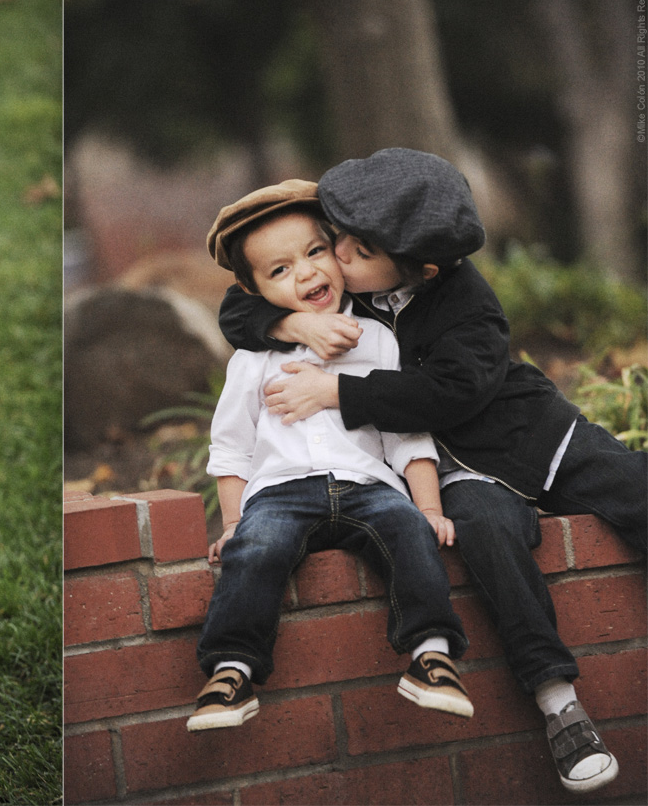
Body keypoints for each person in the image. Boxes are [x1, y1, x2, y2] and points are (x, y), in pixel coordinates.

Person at [218, 148, 645, 793]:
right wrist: (294, 320)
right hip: (463, 472)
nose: (335, 259)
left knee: (636, 489)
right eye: (337, 240)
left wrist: (335, 393)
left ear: (422, 266)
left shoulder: (466, 303)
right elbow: (237, 310)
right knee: (488, 541)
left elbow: (449, 393)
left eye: (355, 251)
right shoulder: (335, 299)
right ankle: (559, 703)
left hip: (535, 435)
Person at [188, 179, 474, 734]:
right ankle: (232, 670)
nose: (306, 273)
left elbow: (406, 433)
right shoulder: (251, 359)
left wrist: (430, 507)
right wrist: (231, 522)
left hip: (369, 487)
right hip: (281, 492)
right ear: (254, 291)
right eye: (279, 270)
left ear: (338, 250)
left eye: (316, 252)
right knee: (258, 547)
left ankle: (431, 655)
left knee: (409, 532)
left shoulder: (378, 340)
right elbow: (231, 446)